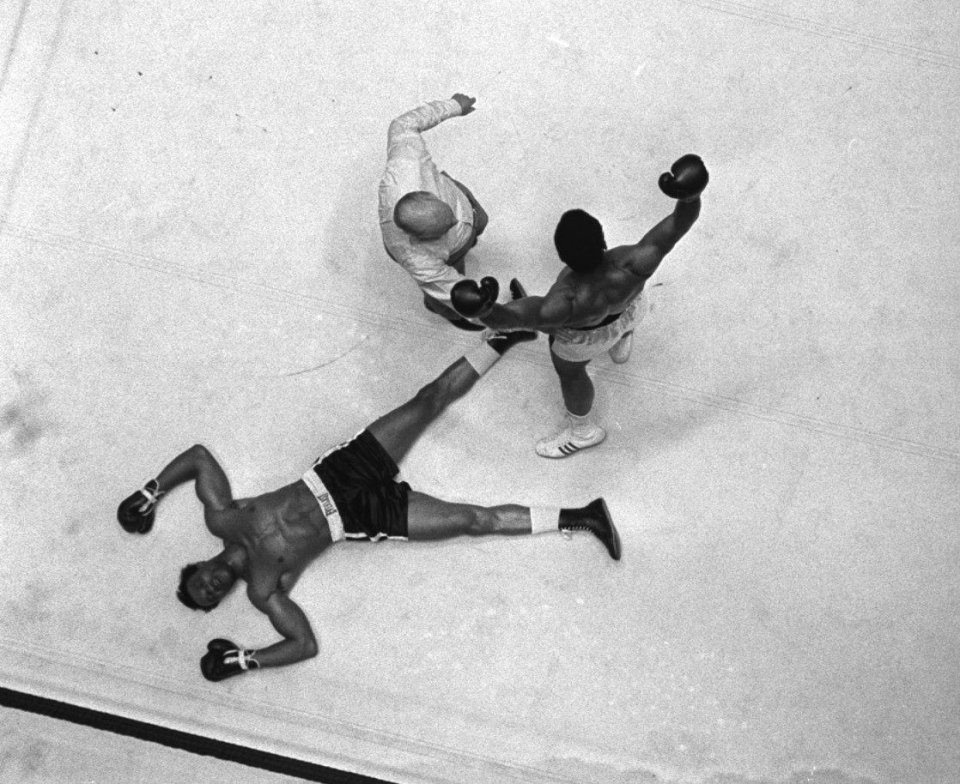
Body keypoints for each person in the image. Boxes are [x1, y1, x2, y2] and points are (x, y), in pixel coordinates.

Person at [116, 332, 621, 682]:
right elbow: (303, 644)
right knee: (472, 520)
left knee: (428, 401)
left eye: (199, 583)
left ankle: (500, 338)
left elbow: (200, 458)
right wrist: (246, 659)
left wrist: (151, 491)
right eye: (210, 599)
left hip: (338, 474)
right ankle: (583, 516)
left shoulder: (221, 517)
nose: (211, 587)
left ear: (197, 565)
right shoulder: (265, 592)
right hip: (361, 518)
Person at [450, 154, 708, 459]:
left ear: (562, 256)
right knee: (628, 313)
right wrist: (691, 196)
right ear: (602, 238)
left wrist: (482, 308)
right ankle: (622, 339)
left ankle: (582, 432)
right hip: (630, 309)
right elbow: (680, 222)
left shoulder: (561, 302)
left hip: (582, 338)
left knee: (571, 374)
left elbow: (508, 320)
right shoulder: (636, 261)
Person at [379, 92, 495, 331]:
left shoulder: (406, 165)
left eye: (447, 215)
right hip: (450, 251)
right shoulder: (418, 258)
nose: (454, 221)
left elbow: (402, 124)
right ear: (418, 238)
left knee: (480, 219)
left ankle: (469, 230)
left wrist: (452, 106)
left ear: (424, 194)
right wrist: (470, 301)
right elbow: (445, 285)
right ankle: (441, 310)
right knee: (439, 292)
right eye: (446, 227)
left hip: (453, 193)